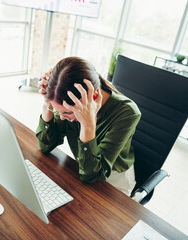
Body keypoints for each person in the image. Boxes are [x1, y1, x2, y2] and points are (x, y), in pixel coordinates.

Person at [36, 57, 141, 195]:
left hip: (114, 181)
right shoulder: (69, 102)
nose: (61, 117)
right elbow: (45, 146)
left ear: (93, 96)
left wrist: (87, 123)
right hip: (83, 167)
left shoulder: (127, 112)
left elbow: (92, 174)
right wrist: (47, 103)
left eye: (66, 113)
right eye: (58, 111)